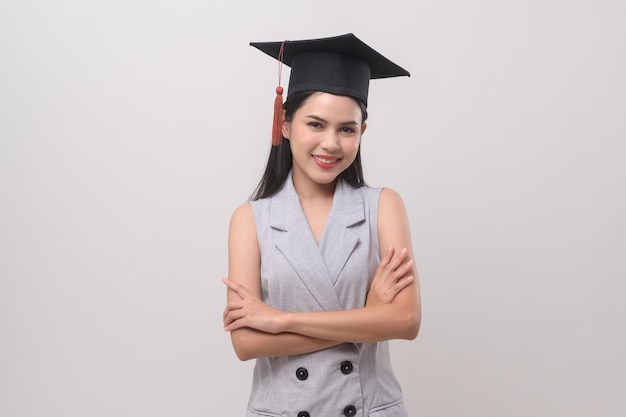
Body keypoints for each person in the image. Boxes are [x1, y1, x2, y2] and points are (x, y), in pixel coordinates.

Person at [222, 33, 421, 417]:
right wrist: (367, 315)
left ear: (362, 132)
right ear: (284, 123)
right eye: (315, 124)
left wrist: (282, 321)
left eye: (346, 129)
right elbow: (246, 343)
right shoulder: (250, 219)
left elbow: (406, 320)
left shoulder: (383, 206)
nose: (330, 143)